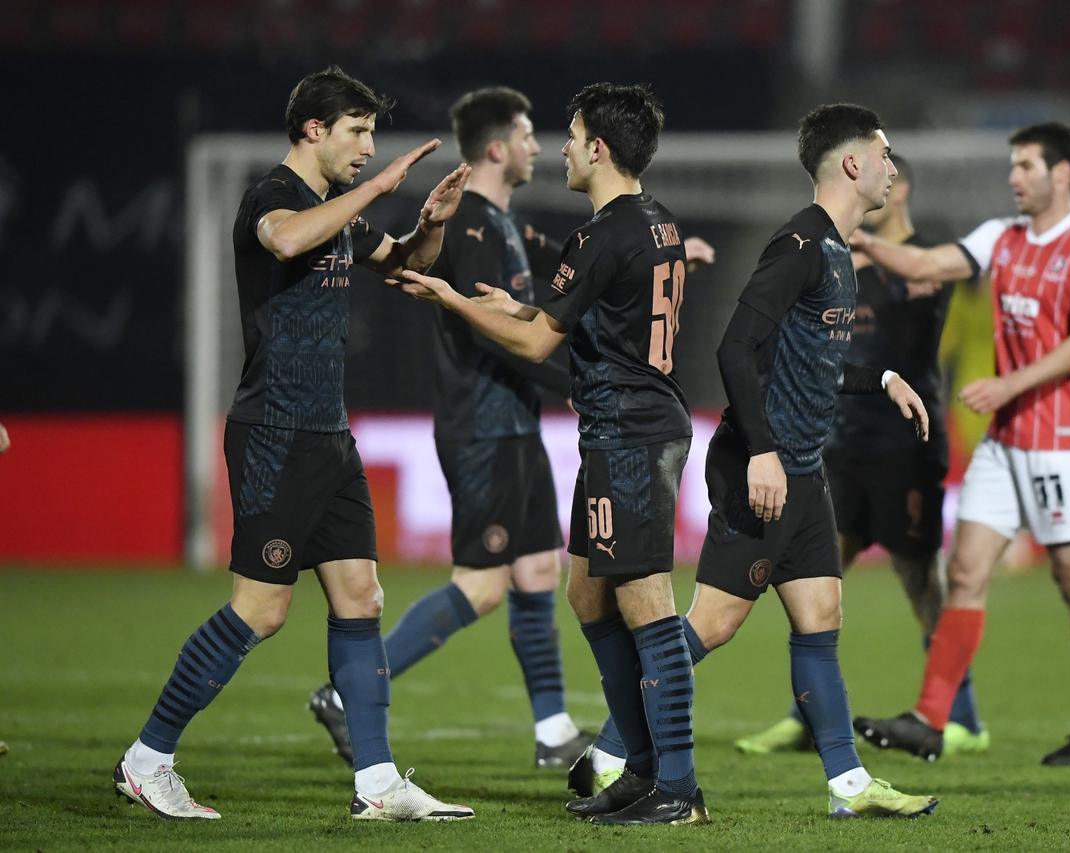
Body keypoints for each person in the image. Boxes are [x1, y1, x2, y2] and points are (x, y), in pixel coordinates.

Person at [113, 66, 476, 822]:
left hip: (328, 433)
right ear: (314, 129)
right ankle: (147, 759)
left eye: (373, 134)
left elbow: (405, 265)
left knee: (361, 596)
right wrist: (375, 193)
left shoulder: (334, 210)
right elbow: (283, 243)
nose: (370, 148)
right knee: (260, 610)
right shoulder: (272, 199)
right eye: (358, 131)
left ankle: (376, 783)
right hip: (274, 430)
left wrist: (431, 223)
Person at [575, 104, 940, 819]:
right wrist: (765, 453)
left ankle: (850, 786)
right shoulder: (799, 244)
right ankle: (615, 749)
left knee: (820, 613)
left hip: (803, 470)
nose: (894, 166)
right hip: (761, 468)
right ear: (853, 164)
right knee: (710, 624)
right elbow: (734, 348)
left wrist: (883, 379)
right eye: (885, 152)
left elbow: (803, 367)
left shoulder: (839, 250)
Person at [397, 83, 709, 826]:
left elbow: (541, 346)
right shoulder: (655, 223)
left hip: (630, 431)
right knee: (586, 593)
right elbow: (579, 320)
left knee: (647, 607)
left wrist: (455, 300)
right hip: (622, 428)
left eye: (570, 135)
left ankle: (680, 785)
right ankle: (639, 768)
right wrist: (516, 306)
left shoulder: (602, 233)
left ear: (598, 148)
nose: (562, 148)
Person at [307, 86, 594, 772]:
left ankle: (553, 729)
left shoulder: (503, 224)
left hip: (515, 422)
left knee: (534, 569)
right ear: (497, 146)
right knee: (484, 581)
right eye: (527, 136)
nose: (537, 147)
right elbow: (491, 335)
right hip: (481, 424)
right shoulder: (467, 222)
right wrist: (575, 385)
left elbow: (563, 263)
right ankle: (347, 695)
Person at [850, 122, 1070, 766]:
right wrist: (856, 238)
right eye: (1013, 165)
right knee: (966, 570)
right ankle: (930, 719)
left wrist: (1007, 386)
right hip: (1005, 443)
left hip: (1064, 442)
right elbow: (923, 262)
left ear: (1061, 174)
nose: (1013, 177)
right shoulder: (1000, 237)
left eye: (1025, 165)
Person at [733, 155, 989, 758]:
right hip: (841, 445)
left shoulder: (926, 260)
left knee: (920, 579)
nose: (887, 183)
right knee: (811, 583)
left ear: (904, 190)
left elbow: (920, 291)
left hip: (907, 445)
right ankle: (808, 717)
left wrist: (866, 248)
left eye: (894, 177)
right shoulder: (835, 259)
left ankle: (964, 717)